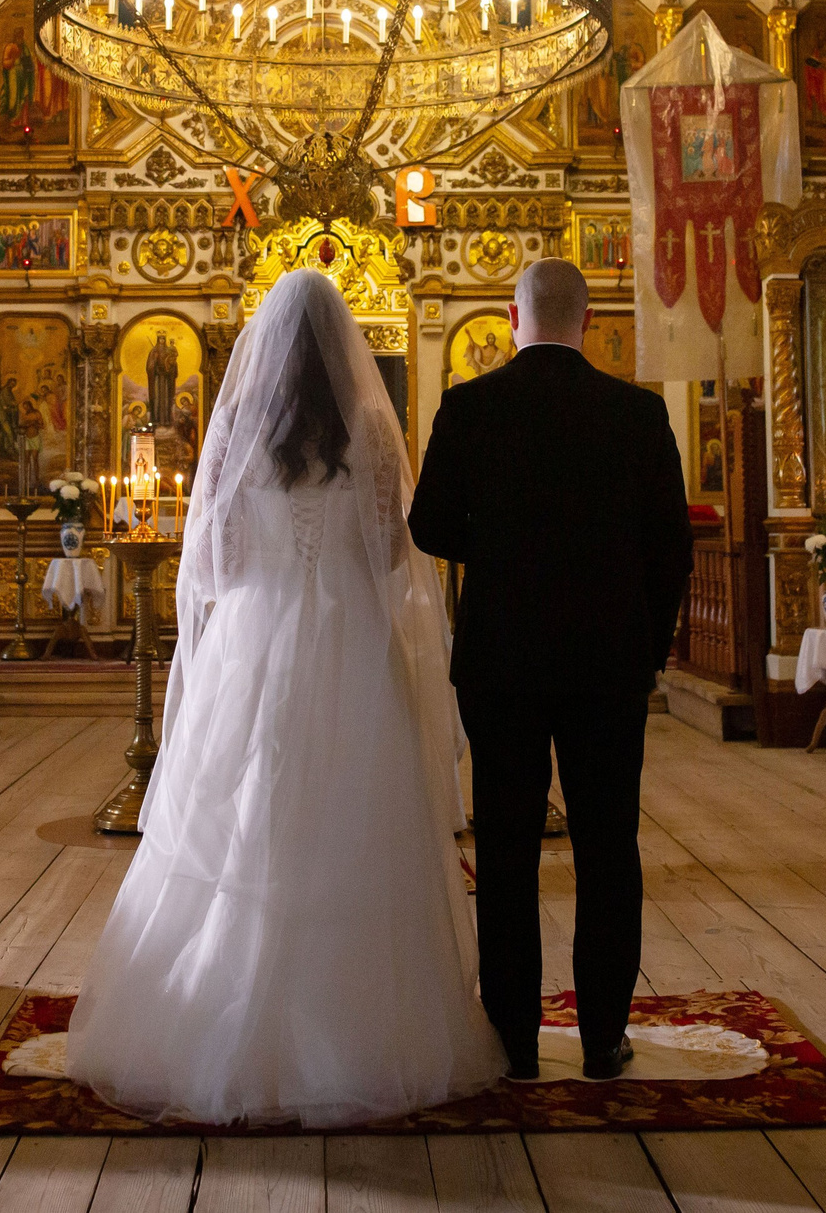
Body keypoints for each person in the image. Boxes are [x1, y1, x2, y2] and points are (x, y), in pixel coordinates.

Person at [69, 270, 503, 1124]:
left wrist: (272, 577)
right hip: (347, 641)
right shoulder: (372, 431)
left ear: (265, 343)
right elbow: (390, 554)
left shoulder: (234, 426)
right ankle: (360, 1032)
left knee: (247, 817)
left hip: (253, 639)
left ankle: (216, 1013)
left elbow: (217, 556)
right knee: (352, 818)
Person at [409, 259, 692, 1079]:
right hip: (609, 664)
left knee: (505, 849)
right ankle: (604, 1034)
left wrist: (498, 542)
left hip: (500, 662)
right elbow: (671, 545)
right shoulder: (638, 414)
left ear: (511, 317)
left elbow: (428, 526)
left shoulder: (470, 408)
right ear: (589, 319)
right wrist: (648, 647)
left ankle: (515, 1040)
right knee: (609, 845)